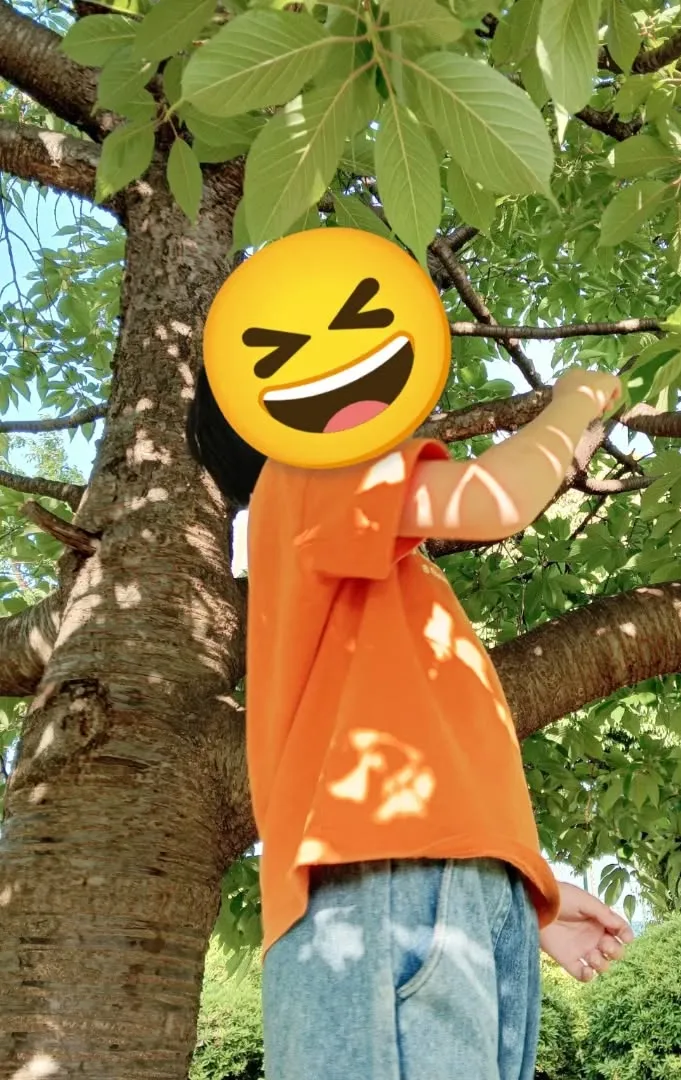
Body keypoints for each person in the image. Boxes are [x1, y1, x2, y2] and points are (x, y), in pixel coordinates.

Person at [187, 353, 634, 1079]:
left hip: (434, 889)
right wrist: (572, 403)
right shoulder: (307, 474)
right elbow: (494, 498)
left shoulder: (382, 576)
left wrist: (525, 890)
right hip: (381, 888)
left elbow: (434, 762)